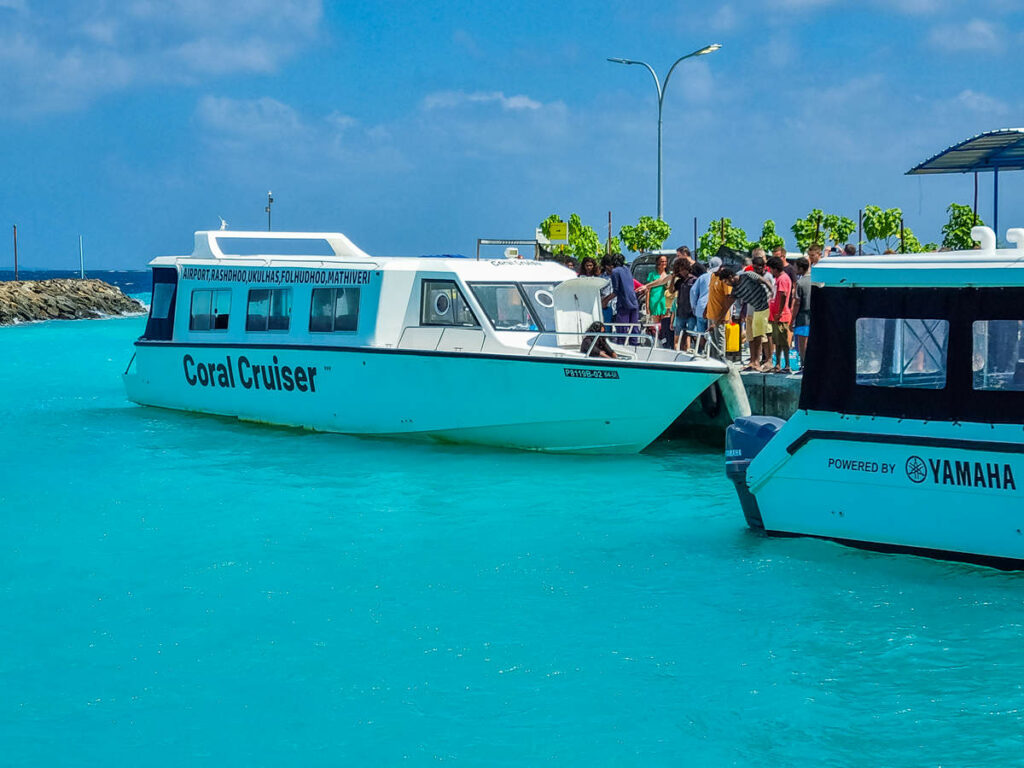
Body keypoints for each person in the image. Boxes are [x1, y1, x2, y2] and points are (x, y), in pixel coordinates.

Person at [727, 255, 774, 371]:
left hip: (763, 309)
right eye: (755, 268)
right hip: (750, 310)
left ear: (764, 267)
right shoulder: (749, 275)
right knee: (751, 337)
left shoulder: (767, 276)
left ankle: (768, 360)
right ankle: (753, 360)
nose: (757, 270)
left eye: (759, 268)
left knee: (765, 336)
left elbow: (771, 288)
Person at [767, 255, 793, 373]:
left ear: (775, 268)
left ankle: (787, 365)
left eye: (771, 269)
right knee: (777, 342)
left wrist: (779, 312)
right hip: (775, 315)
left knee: (783, 342)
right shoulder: (778, 279)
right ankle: (777, 364)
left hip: (781, 316)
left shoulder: (783, 279)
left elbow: (783, 295)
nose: (770, 272)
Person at [639, 254, 670, 347]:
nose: (664, 263)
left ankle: (664, 342)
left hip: (664, 300)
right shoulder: (652, 274)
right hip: (654, 300)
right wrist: (647, 305)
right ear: (658, 263)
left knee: (665, 323)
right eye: (662, 261)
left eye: (665, 261)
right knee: (655, 324)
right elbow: (648, 289)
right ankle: (656, 342)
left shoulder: (668, 275)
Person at [705, 265, 734, 360]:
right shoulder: (713, 276)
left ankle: (722, 360)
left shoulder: (724, 280)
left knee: (720, 340)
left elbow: (728, 298)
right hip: (711, 313)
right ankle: (713, 360)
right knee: (712, 340)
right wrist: (706, 309)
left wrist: (722, 316)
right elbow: (711, 294)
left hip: (720, 315)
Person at [609, 253, 639, 342]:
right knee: (634, 328)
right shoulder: (627, 269)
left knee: (622, 330)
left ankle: (622, 347)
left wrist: (605, 300)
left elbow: (616, 290)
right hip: (634, 301)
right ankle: (634, 345)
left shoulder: (615, 272)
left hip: (624, 303)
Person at [689, 257, 716, 353]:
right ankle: (710, 352)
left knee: (701, 332)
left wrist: (694, 306)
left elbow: (693, 291)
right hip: (713, 308)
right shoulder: (718, 277)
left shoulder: (703, 277)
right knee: (712, 332)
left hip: (700, 307)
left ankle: (702, 350)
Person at [672, 260, 696, 351]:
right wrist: (673, 278)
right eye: (680, 270)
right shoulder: (680, 282)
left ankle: (688, 350)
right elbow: (671, 291)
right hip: (680, 312)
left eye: (683, 269)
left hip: (691, 312)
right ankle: (677, 351)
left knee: (689, 335)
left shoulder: (694, 280)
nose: (682, 272)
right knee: (678, 335)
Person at [791, 258, 812, 362]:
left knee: (802, 343)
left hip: (802, 317)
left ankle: (804, 364)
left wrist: (792, 319)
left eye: (795, 267)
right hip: (814, 316)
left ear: (800, 268)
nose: (794, 269)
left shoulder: (800, 283)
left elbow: (797, 303)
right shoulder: (815, 280)